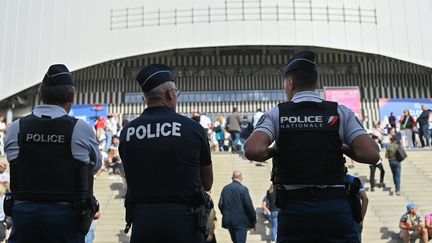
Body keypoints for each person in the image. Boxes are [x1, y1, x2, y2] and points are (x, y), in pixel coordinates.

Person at [244, 50, 380, 242]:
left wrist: (276, 150)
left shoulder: (277, 114)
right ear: (315, 83)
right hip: (335, 208)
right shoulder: (340, 112)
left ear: (290, 83)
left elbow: (252, 150)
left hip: (295, 211)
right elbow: (372, 154)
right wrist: (341, 148)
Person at [4, 64, 101, 243]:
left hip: (24, 217)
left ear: (41, 95)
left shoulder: (16, 128)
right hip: (66, 219)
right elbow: (95, 166)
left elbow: (14, 161)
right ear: (72, 97)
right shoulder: (81, 129)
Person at [119, 64, 213, 243]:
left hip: (143, 221)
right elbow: (207, 182)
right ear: (170, 94)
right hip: (184, 222)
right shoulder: (193, 129)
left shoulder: (127, 132)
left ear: (143, 98)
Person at [218, 171, 256, 243]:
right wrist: (253, 220)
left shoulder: (225, 188)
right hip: (240, 222)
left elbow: (220, 204)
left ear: (232, 178)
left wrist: (226, 214)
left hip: (229, 221)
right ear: (241, 177)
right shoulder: (243, 189)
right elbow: (249, 206)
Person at [346, 174, 368, 241]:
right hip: (355, 219)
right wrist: (361, 219)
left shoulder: (334, 180)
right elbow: (365, 199)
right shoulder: (353, 179)